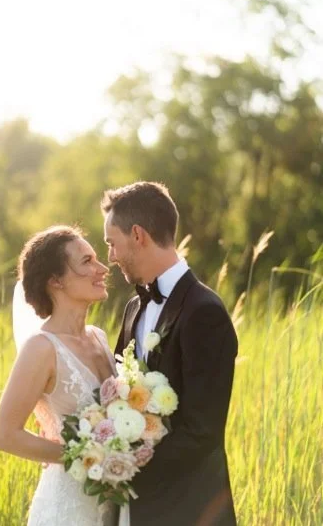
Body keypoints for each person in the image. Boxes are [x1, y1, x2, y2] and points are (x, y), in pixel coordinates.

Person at [101, 182, 238, 526]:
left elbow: (201, 430)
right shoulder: (134, 307)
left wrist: (129, 466)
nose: (111, 256)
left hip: (187, 508)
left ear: (138, 235)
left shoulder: (204, 311)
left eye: (111, 243)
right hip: (131, 508)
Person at [0, 225, 118, 526]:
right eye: (87, 262)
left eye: (97, 259)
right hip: (68, 508)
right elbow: (4, 435)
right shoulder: (41, 348)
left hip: (112, 501)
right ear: (55, 280)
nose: (102, 269)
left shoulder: (98, 337)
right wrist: (84, 457)